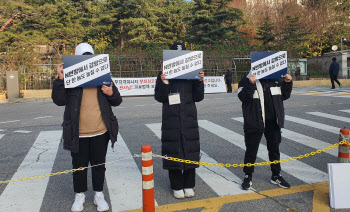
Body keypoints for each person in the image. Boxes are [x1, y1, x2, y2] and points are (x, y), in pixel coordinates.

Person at [52, 43, 122, 212]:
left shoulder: (103, 77)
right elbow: (59, 100)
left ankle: (99, 195)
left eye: (89, 56)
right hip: (78, 133)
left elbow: (117, 100)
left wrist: (110, 93)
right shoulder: (70, 78)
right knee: (79, 166)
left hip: (100, 131)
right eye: (82, 56)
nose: (86, 60)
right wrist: (60, 79)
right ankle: (79, 196)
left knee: (99, 165)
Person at [154, 42, 205, 199]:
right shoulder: (163, 74)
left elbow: (199, 97)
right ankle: (176, 185)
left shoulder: (193, 74)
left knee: (190, 149)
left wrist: (199, 82)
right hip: (171, 117)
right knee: (173, 149)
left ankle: (189, 184)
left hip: (189, 116)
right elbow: (159, 97)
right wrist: (164, 82)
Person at [237, 72, 293, 190]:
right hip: (254, 121)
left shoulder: (276, 78)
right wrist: (250, 83)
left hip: (273, 121)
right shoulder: (246, 79)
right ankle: (248, 175)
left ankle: (276, 175)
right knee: (251, 150)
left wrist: (288, 83)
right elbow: (243, 97)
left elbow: (284, 95)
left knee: (274, 149)